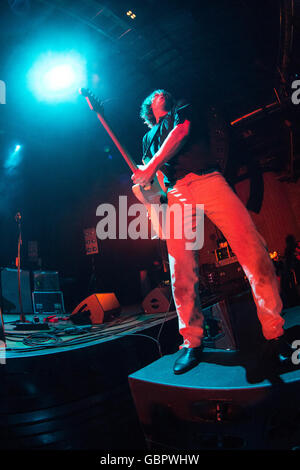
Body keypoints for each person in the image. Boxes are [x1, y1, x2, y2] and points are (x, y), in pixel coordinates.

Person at [132, 89, 292, 374]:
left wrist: (151, 166)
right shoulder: (147, 138)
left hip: (208, 179)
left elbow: (181, 133)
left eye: (163, 93)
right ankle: (192, 342)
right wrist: (144, 179)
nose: (161, 94)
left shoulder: (183, 107)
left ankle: (274, 333)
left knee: (252, 250)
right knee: (181, 268)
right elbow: (153, 179)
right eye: (155, 95)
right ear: (148, 109)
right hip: (176, 191)